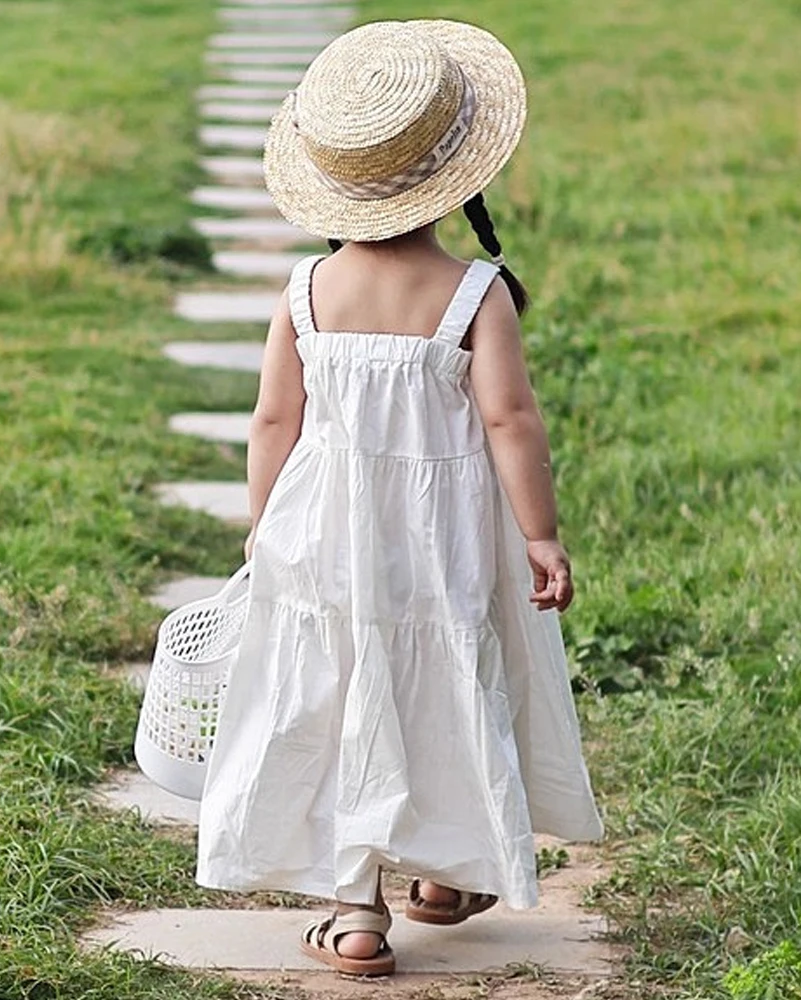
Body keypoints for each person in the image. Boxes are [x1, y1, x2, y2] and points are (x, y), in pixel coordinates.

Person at [196, 19, 603, 977]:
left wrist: (268, 536)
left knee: (341, 696)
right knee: (443, 686)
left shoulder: (304, 290)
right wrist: (540, 537)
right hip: (442, 541)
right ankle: (450, 866)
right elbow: (511, 422)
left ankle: (357, 912)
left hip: (325, 536)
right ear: (454, 179)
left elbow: (270, 424)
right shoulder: (475, 294)